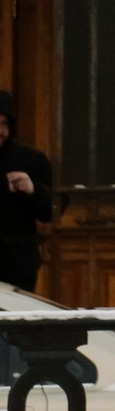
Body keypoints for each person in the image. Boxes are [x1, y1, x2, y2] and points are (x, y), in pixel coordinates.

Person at [0, 92, 54, 293]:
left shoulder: (32, 160)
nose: (0, 131)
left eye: (5, 124)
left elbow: (51, 211)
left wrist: (33, 190)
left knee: (16, 323)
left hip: (17, 267)